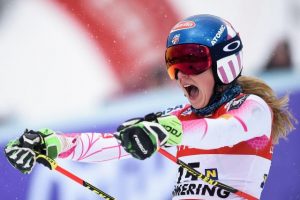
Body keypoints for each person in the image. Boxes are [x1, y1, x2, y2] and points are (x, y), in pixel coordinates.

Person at [4, 14, 296, 200]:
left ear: (225, 63)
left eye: (193, 62)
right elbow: (113, 144)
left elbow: (222, 131)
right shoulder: (181, 119)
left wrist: (166, 131)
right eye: (175, 65)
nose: (183, 76)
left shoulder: (253, 109)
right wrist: (54, 143)